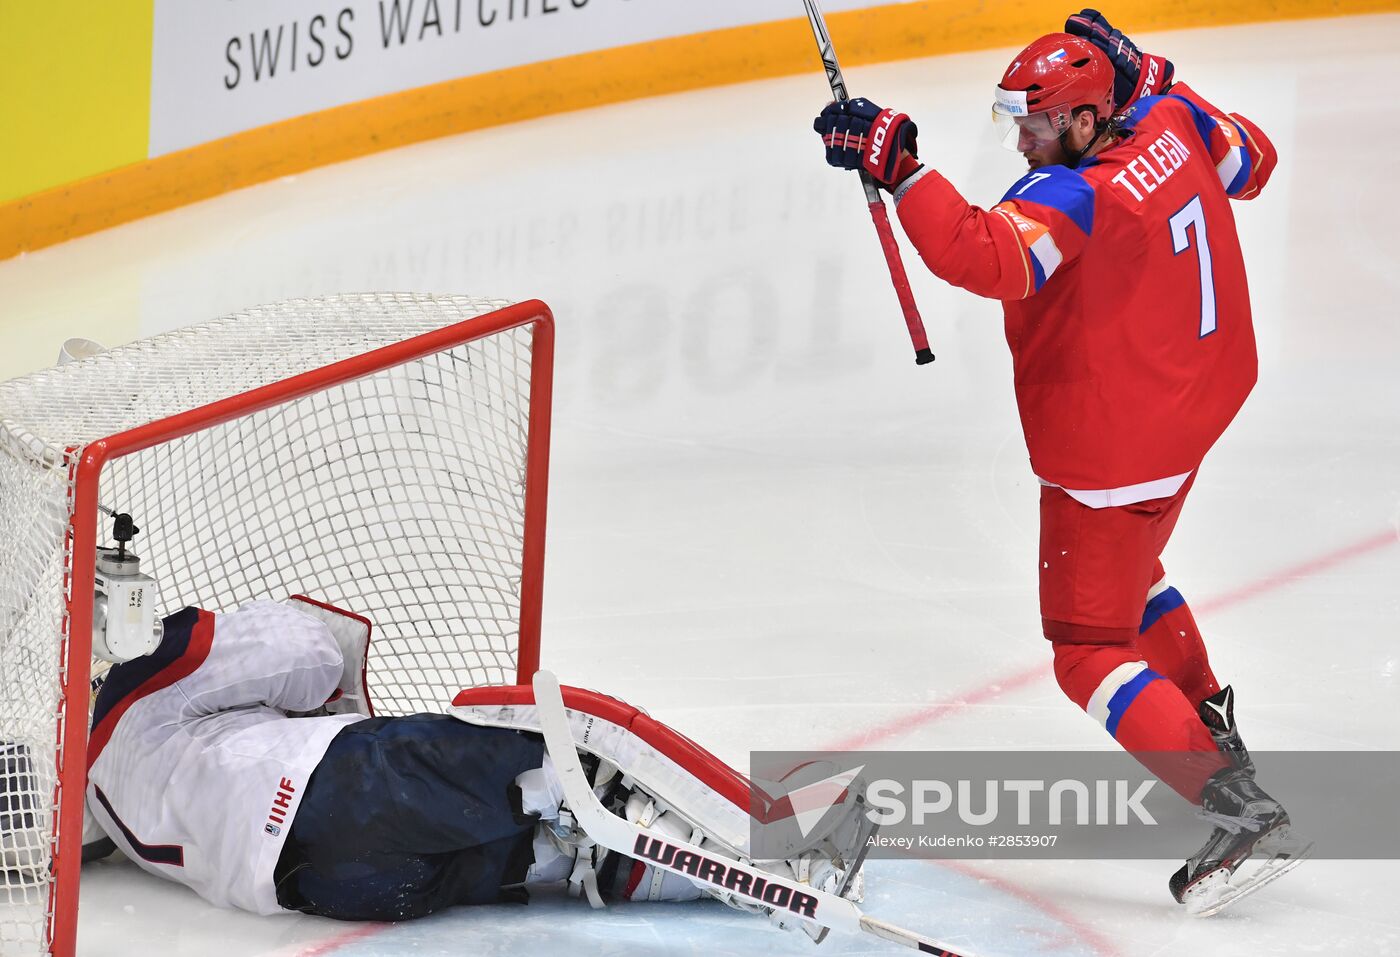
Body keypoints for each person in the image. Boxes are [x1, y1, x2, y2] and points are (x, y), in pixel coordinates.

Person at [813, 9, 1295, 908]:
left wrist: (900, 164)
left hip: (1118, 449)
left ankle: (1234, 806)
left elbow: (984, 252)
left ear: (1081, 120)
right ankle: (1210, 731)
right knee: (1131, 571)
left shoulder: (1075, 195)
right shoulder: (1174, 114)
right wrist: (1151, 72)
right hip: (1200, 404)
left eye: (1035, 122)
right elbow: (1254, 160)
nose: (1022, 140)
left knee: (1085, 645)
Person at [78, 597, 864, 926]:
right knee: (574, 754)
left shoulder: (98, 814)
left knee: (557, 849)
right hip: (342, 786)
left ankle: (743, 884)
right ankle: (777, 839)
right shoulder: (126, 690)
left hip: (330, 886)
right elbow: (307, 649)